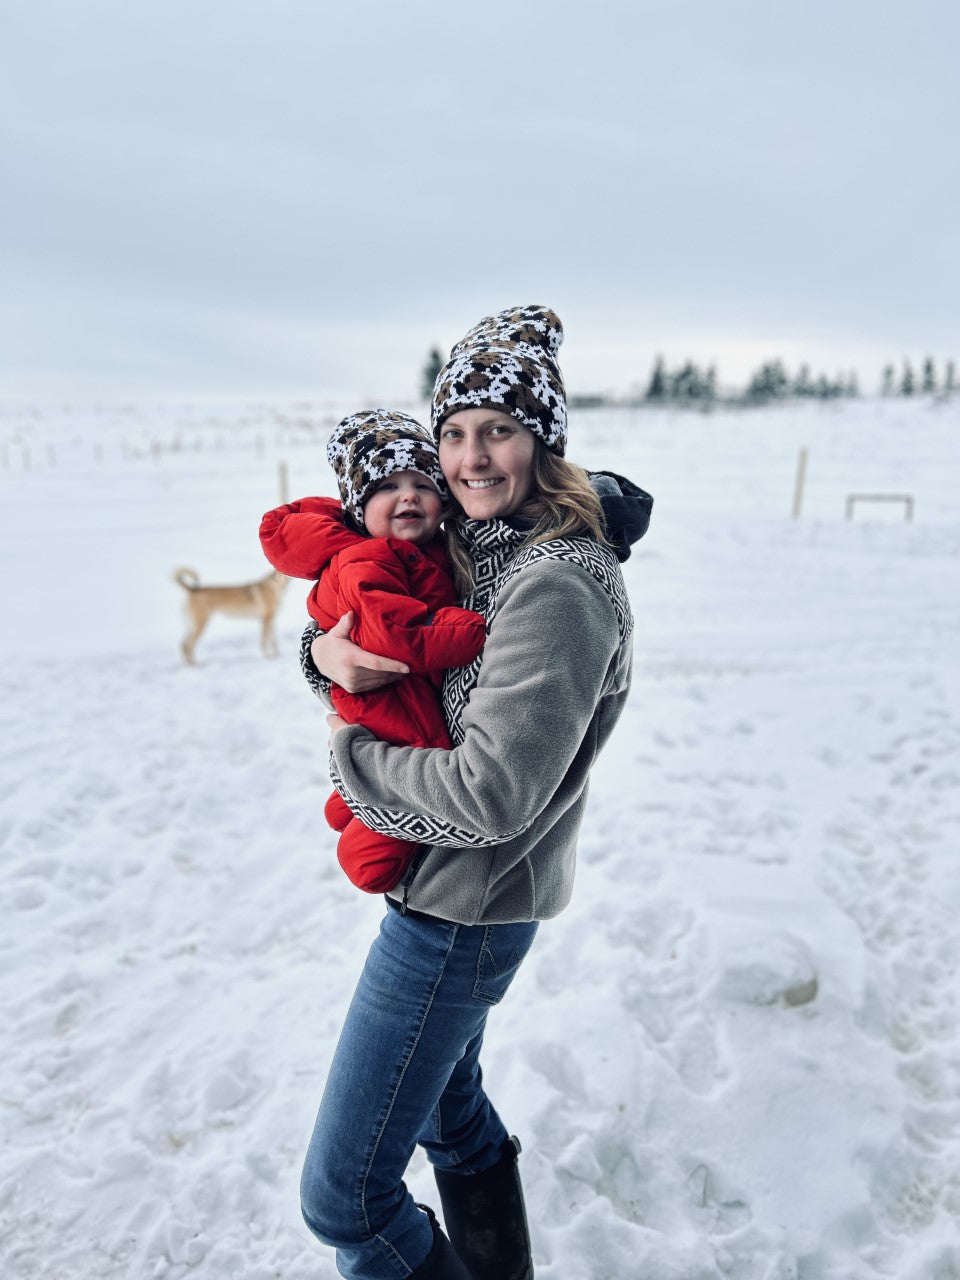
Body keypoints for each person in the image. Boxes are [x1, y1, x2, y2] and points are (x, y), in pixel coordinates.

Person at [296, 305, 652, 1279]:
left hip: (461, 906)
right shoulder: (478, 544)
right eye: (453, 432)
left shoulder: (556, 583)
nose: (469, 456)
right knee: (450, 1110)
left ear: (542, 441)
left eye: (497, 429)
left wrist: (351, 756)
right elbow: (379, 617)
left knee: (347, 1197)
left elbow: (493, 792)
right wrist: (319, 649)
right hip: (455, 888)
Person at [259, 410, 486, 894]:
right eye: (386, 486)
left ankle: (351, 800)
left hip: (398, 685)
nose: (408, 495)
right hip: (387, 691)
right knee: (416, 752)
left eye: (422, 484)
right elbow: (396, 634)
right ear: (357, 509)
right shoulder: (367, 558)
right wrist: (469, 630)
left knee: (400, 755)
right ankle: (368, 845)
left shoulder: (433, 548)